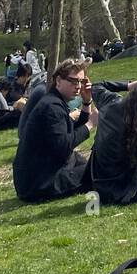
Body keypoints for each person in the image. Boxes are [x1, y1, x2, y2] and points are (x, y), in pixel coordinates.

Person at [12, 59, 99, 202]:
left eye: (81, 81)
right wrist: (90, 124)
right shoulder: (52, 107)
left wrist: (86, 102)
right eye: (73, 81)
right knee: (98, 169)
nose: (78, 86)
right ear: (58, 80)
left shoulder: (53, 101)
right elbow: (64, 146)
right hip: (40, 184)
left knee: (90, 163)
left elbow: (69, 132)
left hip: (34, 179)